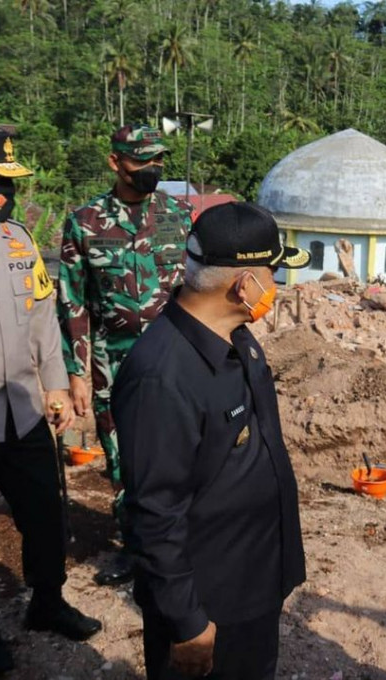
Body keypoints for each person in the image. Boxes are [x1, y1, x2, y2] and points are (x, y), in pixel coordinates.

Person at [112, 202, 309, 680]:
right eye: (273, 274)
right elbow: (155, 512)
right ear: (244, 285)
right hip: (210, 604)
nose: (278, 286)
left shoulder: (235, 337)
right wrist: (188, 623)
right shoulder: (162, 376)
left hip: (253, 578)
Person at [0, 129, 101, 676]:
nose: (6, 193)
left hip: (25, 411)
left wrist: (55, 383)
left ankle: (47, 602)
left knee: (45, 517)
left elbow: (41, 320)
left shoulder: (18, 239)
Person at [57, 124, 193, 587]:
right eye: (142, 160)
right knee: (122, 456)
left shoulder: (180, 215)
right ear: (116, 162)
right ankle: (136, 548)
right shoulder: (85, 222)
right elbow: (72, 302)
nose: (152, 168)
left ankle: (184, 544)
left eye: (158, 159)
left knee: (182, 449)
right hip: (112, 362)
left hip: (175, 358)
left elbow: (198, 289)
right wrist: (76, 373)